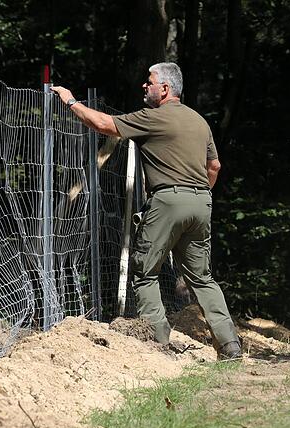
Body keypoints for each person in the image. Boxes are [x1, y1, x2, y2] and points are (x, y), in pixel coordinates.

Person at [50, 62, 242, 359]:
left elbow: (103, 124)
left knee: (145, 272)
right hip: (202, 202)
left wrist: (71, 101)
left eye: (149, 81)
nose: (144, 86)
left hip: (167, 201)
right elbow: (214, 167)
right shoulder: (199, 121)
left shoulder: (153, 118)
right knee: (202, 277)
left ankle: (158, 342)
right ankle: (229, 344)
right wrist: (198, 194)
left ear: (164, 89)